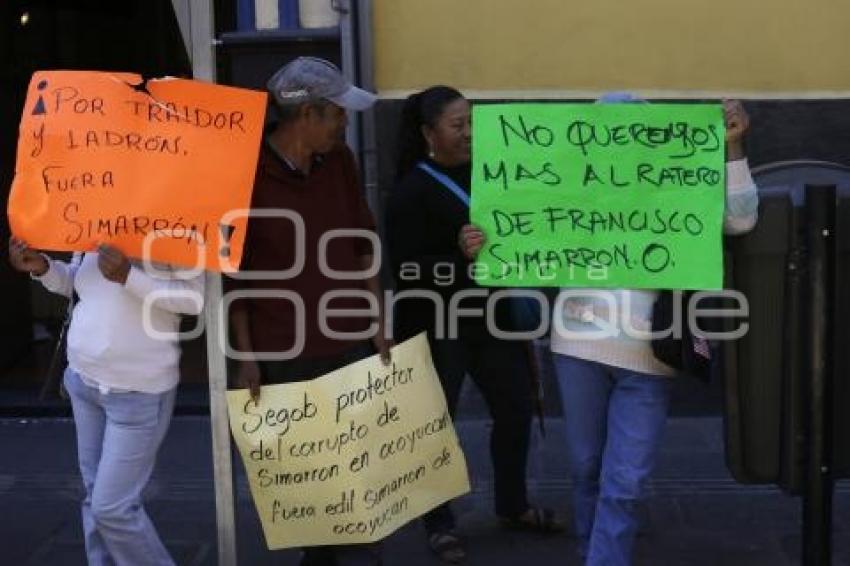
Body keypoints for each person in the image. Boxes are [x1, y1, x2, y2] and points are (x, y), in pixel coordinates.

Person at [460, 95, 760, 566]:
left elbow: (741, 219)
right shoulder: (567, 189)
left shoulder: (677, 187)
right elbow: (520, 248)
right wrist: (483, 247)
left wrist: (734, 149)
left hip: (650, 353)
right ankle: (592, 550)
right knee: (586, 468)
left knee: (626, 480)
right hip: (577, 347)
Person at [386, 86, 563, 564]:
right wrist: (458, 257)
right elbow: (404, 270)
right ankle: (438, 523)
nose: (468, 133)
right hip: (435, 325)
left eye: (471, 123)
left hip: (492, 319)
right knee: (433, 424)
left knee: (515, 408)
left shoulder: (493, 174)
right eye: (457, 125)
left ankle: (512, 504)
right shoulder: (411, 190)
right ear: (428, 133)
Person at [228, 56, 390, 566]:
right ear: (308, 116)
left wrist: (379, 325)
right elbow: (236, 276)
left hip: (347, 341)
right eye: (338, 113)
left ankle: (355, 551)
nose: (346, 122)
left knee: (356, 463)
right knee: (306, 473)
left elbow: (363, 244)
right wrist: (246, 356)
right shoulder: (247, 176)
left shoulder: (340, 162)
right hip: (282, 348)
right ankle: (320, 556)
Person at [8, 240, 204, 566]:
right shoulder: (98, 210)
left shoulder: (177, 219)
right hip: (83, 380)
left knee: (112, 508)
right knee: (95, 496)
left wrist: (130, 275)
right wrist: (43, 268)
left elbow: (194, 299)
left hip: (138, 392)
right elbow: (77, 281)